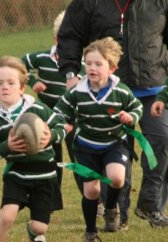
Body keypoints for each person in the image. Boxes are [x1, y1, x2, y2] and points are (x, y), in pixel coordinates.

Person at [57, 0, 168, 228]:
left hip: (153, 87)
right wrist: (70, 73)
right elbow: (70, 34)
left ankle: (150, 203)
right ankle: (115, 210)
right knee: (114, 151)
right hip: (109, 91)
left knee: (162, 139)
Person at [54, 37, 143, 242]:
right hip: (86, 146)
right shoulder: (77, 91)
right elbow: (60, 110)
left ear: (111, 68)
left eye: (98, 64)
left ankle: (112, 208)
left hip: (114, 142)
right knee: (92, 191)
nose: (91, 68)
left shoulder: (120, 91)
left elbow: (136, 106)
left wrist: (131, 117)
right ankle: (91, 232)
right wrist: (63, 124)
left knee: (117, 179)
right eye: (88, 63)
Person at [0, 56, 67, 242]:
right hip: (17, 174)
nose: (4, 87)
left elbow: (61, 126)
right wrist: (6, 147)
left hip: (44, 175)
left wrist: (50, 137)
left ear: (22, 88)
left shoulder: (37, 109)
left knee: (40, 226)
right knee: (7, 216)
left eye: (11, 83)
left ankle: (34, 234)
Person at [21, 10, 84, 187]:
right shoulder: (41, 58)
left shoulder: (85, 63)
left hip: (74, 118)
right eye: (64, 38)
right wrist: (32, 81)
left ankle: (94, 201)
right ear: (55, 38)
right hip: (47, 117)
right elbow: (18, 65)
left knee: (79, 161)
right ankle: (50, 203)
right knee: (51, 161)